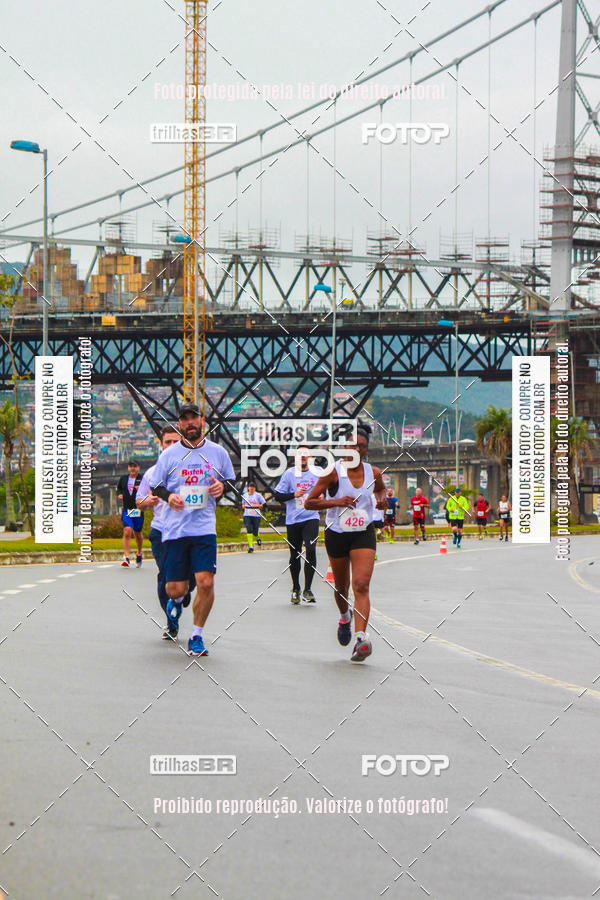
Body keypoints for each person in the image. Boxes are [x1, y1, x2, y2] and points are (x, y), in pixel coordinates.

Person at [149, 403, 235, 657]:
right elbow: (156, 486)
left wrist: (223, 488)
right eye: (185, 419)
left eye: (194, 418)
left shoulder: (217, 452)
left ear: (202, 421)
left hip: (204, 528)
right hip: (175, 529)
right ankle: (175, 603)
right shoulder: (169, 455)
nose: (190, 423)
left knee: (206, 582)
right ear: (179, 424)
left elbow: (229, 480)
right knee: (175, 589)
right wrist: (169, 497)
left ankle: (196, 636)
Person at [305, 423, 386, 662]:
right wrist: (337, 502)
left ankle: (361, 639)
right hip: (337, 532)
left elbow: (380, 491)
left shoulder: (374, 473)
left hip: (363, 531)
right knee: (341, 588)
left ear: (365, 450)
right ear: (344, 448)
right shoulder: (332, 473)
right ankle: (345, 617)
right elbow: (310, 502)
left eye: (361, 447)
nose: (356, 450)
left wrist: (381, 502)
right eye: (351, 446)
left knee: (360, 585)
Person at [136, 425, 195, 640]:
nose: (170, 446)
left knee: (193, 575)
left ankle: (185, 590)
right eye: (166, 442)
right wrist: (147, 501)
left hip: (187, 531)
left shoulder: (191, 469)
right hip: (161, 532)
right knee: (166, 575)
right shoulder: (152, 473)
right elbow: (139, 502)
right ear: (160, 445)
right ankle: (172, 622)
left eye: (174, 442)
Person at [273, 447, 321, 604]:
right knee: (295, 554)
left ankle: (308, 589)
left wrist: (322, 494)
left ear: (310, 457)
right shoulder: (289, 474)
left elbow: (329, 487)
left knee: (311, 550)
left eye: (306, 455)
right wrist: (294, 494)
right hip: (293, 520)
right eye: (300, 455)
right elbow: (277, 495)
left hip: (311, 517)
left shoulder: (317, 472)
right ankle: (295, 588)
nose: (303, 458)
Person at [117, 460, 144, 568]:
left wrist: (141, 489)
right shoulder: (123, 478)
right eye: (130, 466)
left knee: (137, 533)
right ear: (128, 468)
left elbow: (150, 491)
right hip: (127, 509)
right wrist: (119, 494)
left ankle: (139, 553)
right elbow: (118, 489)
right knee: (127, 531)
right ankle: (126, 557)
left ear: (138, 468)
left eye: (135, 466)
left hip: (137, 509)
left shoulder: (142, 479)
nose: (132, 469)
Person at [241, 482, 266, 553]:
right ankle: (251, 547)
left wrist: (256, 506)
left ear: (254, 489)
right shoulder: (245, 495)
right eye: (250, 488)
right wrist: (243, 506)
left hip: (256, 515)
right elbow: (243, 504)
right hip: (247, 514)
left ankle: (257, 538)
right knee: (249, 529)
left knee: (255, 531)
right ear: (248, 488)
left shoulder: (258, 495)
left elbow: (263, 504)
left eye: (253, 489)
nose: (251, 490)